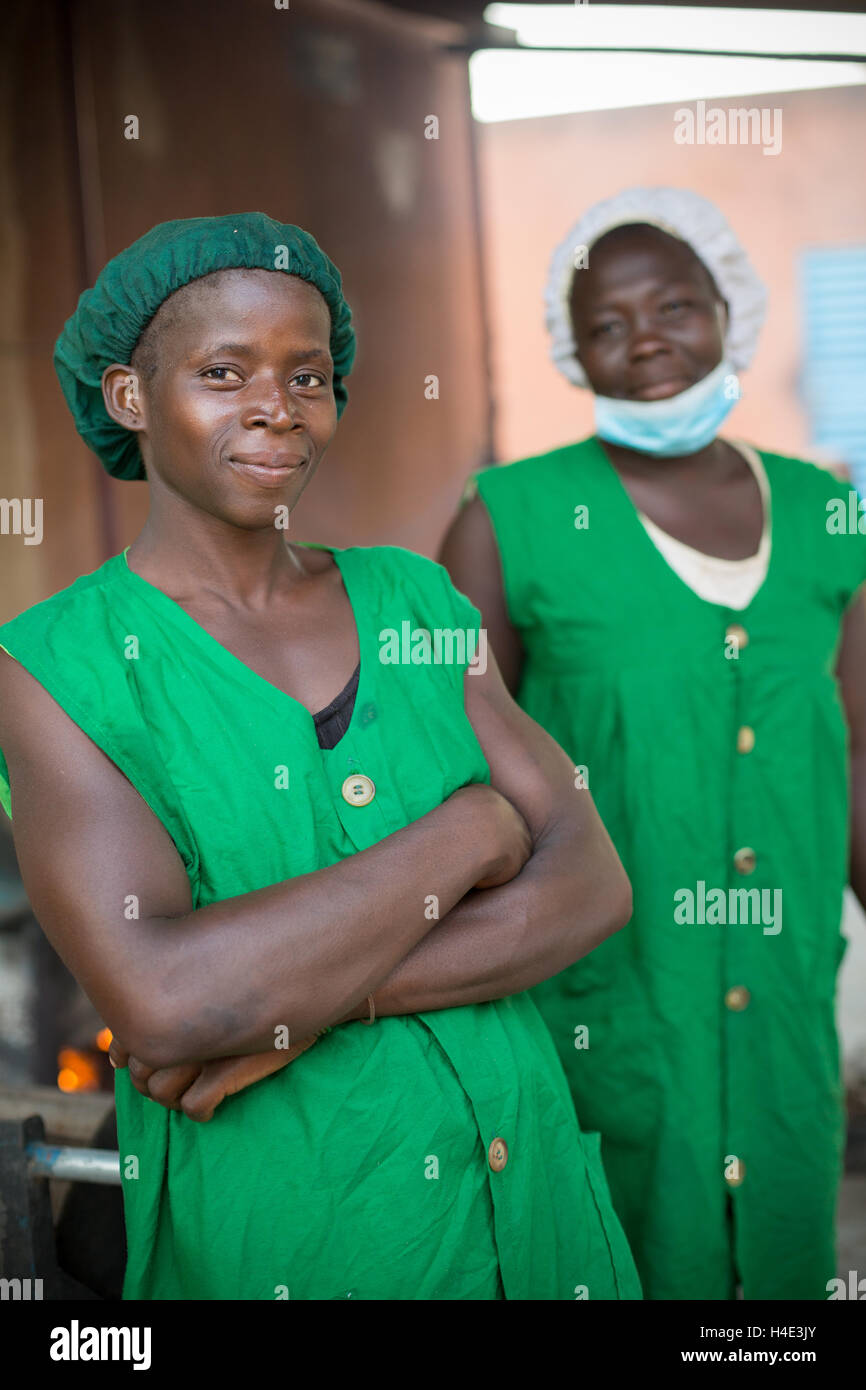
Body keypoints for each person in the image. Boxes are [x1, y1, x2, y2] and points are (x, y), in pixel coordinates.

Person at [0, 212, 641, 1301]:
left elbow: (591, 886)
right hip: (302, 1234)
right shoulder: (60, 668)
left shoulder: (409, 598)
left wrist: (288, 1006)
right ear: (129, 399)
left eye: (308, 375)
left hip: (538, 1221)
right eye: (222, 370)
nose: (274, 408)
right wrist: (469, 830)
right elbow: (162, 1002)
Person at [441, 187, 866, 1301]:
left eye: (674, 305)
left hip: (779, 992)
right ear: (569, 349)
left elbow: (857, 752)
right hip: (602, 995)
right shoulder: (506, 518)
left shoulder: (828, 513)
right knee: (612, 1253)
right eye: (606, 323)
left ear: (727, 307)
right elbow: (451, 780)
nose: (645, 341)